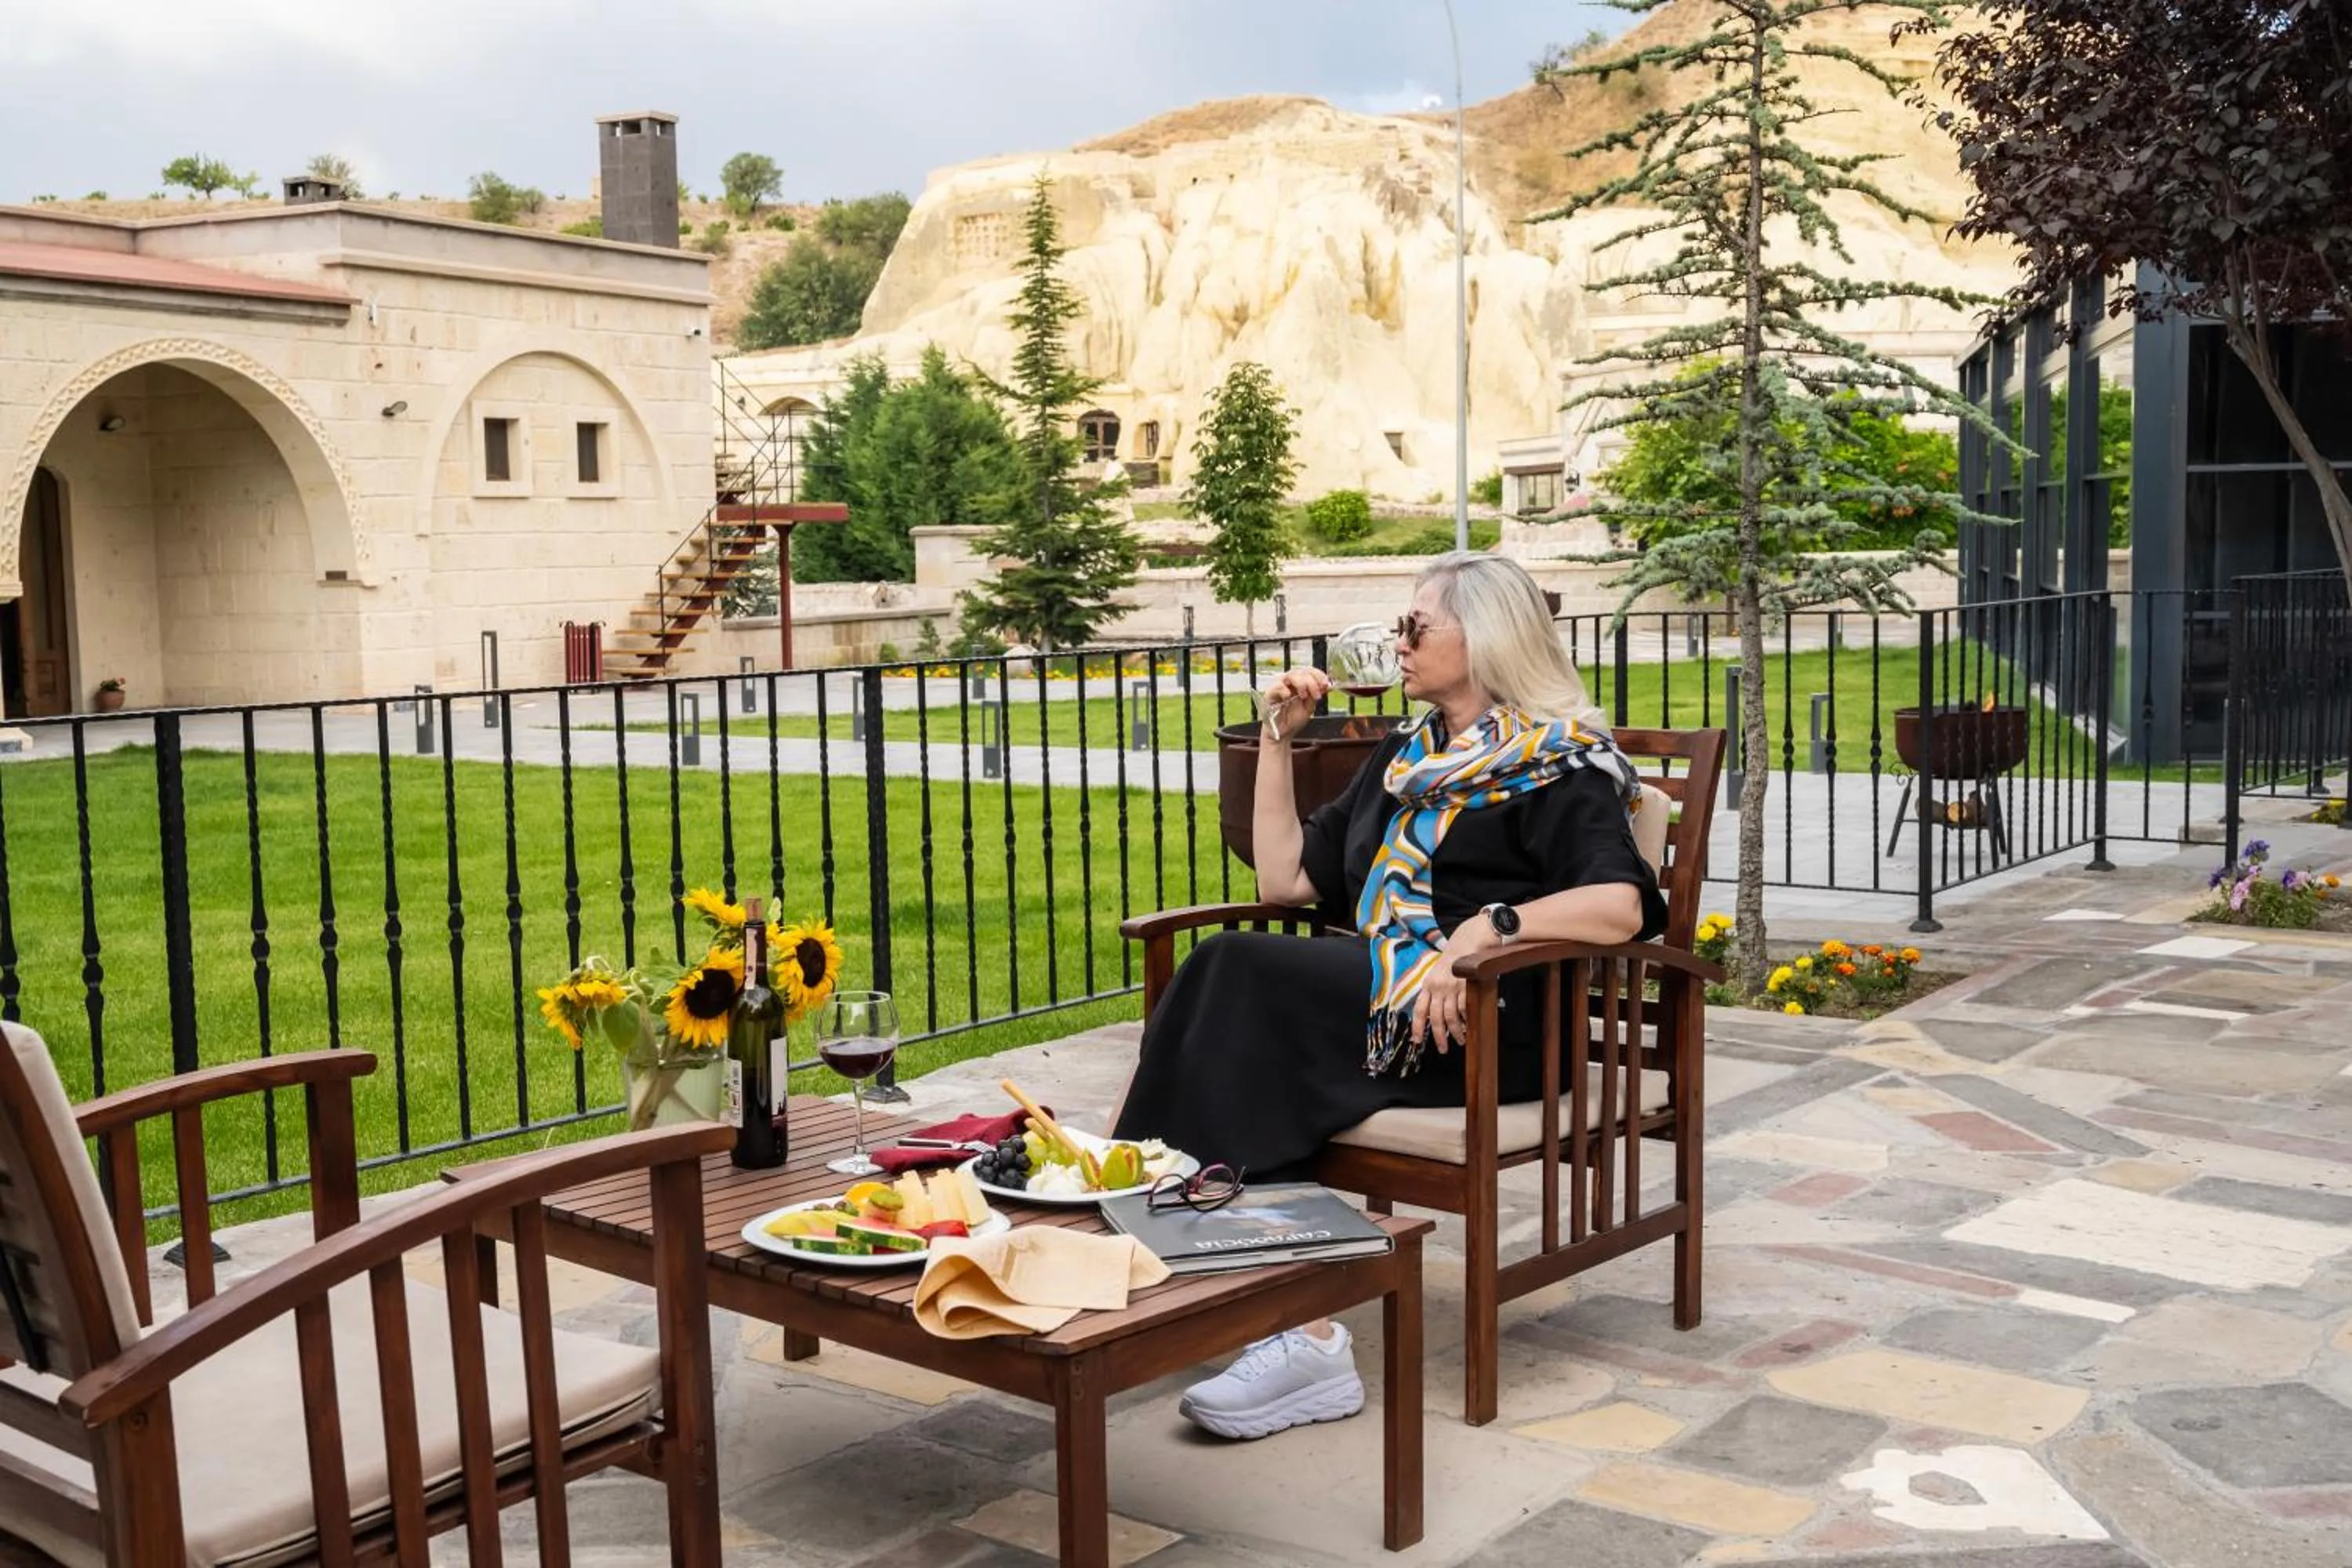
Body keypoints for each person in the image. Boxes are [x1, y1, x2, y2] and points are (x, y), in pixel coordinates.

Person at [1112, 553, 1667, 1440]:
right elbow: (1287, 880)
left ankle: (1157, 1233)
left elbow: (1621, 903)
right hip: (1388, 1008)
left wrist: (1484, 931)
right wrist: (1280, 738)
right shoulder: (1407, 760)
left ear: (1483, 639)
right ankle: (1286, 1316)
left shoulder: (1561, 766)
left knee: (1233, 978)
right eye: (1400, 626)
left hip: (1490, 1022)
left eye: (1417, 626)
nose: (1396, 643)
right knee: (1233, 1000)